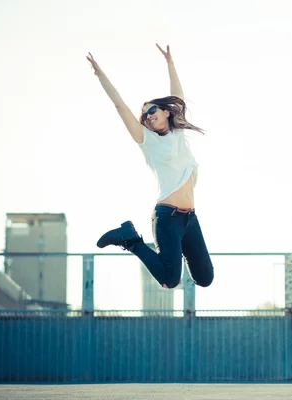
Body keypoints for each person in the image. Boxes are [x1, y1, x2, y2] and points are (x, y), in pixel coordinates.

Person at [86, 44, 214, 289]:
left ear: (166, 112)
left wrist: (170, 64)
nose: (147, 116)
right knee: (169, 280)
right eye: (144, 115)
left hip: (190, 219)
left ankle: (170, 250)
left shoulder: (178, 132)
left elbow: (178, 97)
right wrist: (101, 75)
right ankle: (131, 240)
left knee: (205, 278)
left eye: (151, 110)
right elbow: (120, 106)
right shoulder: (147, 141)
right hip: (167, 217)